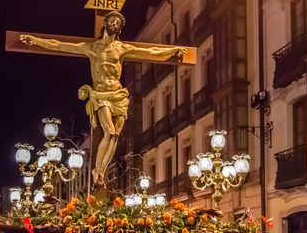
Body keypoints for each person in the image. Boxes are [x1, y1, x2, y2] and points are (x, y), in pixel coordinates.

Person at [20, 11, 187, 185]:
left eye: (118, 22)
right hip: (101, 95)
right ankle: (97, 171)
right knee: (110, 131)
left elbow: (150, 52)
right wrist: (36, 41)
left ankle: (101, 170)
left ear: (120, 28)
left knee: (115, 136)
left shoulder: (121, 49)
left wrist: (172, 51)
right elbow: (59, 45)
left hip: (118, 95)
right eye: (112, 20)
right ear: (105, 23)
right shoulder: (92, 48)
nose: (114, 24)